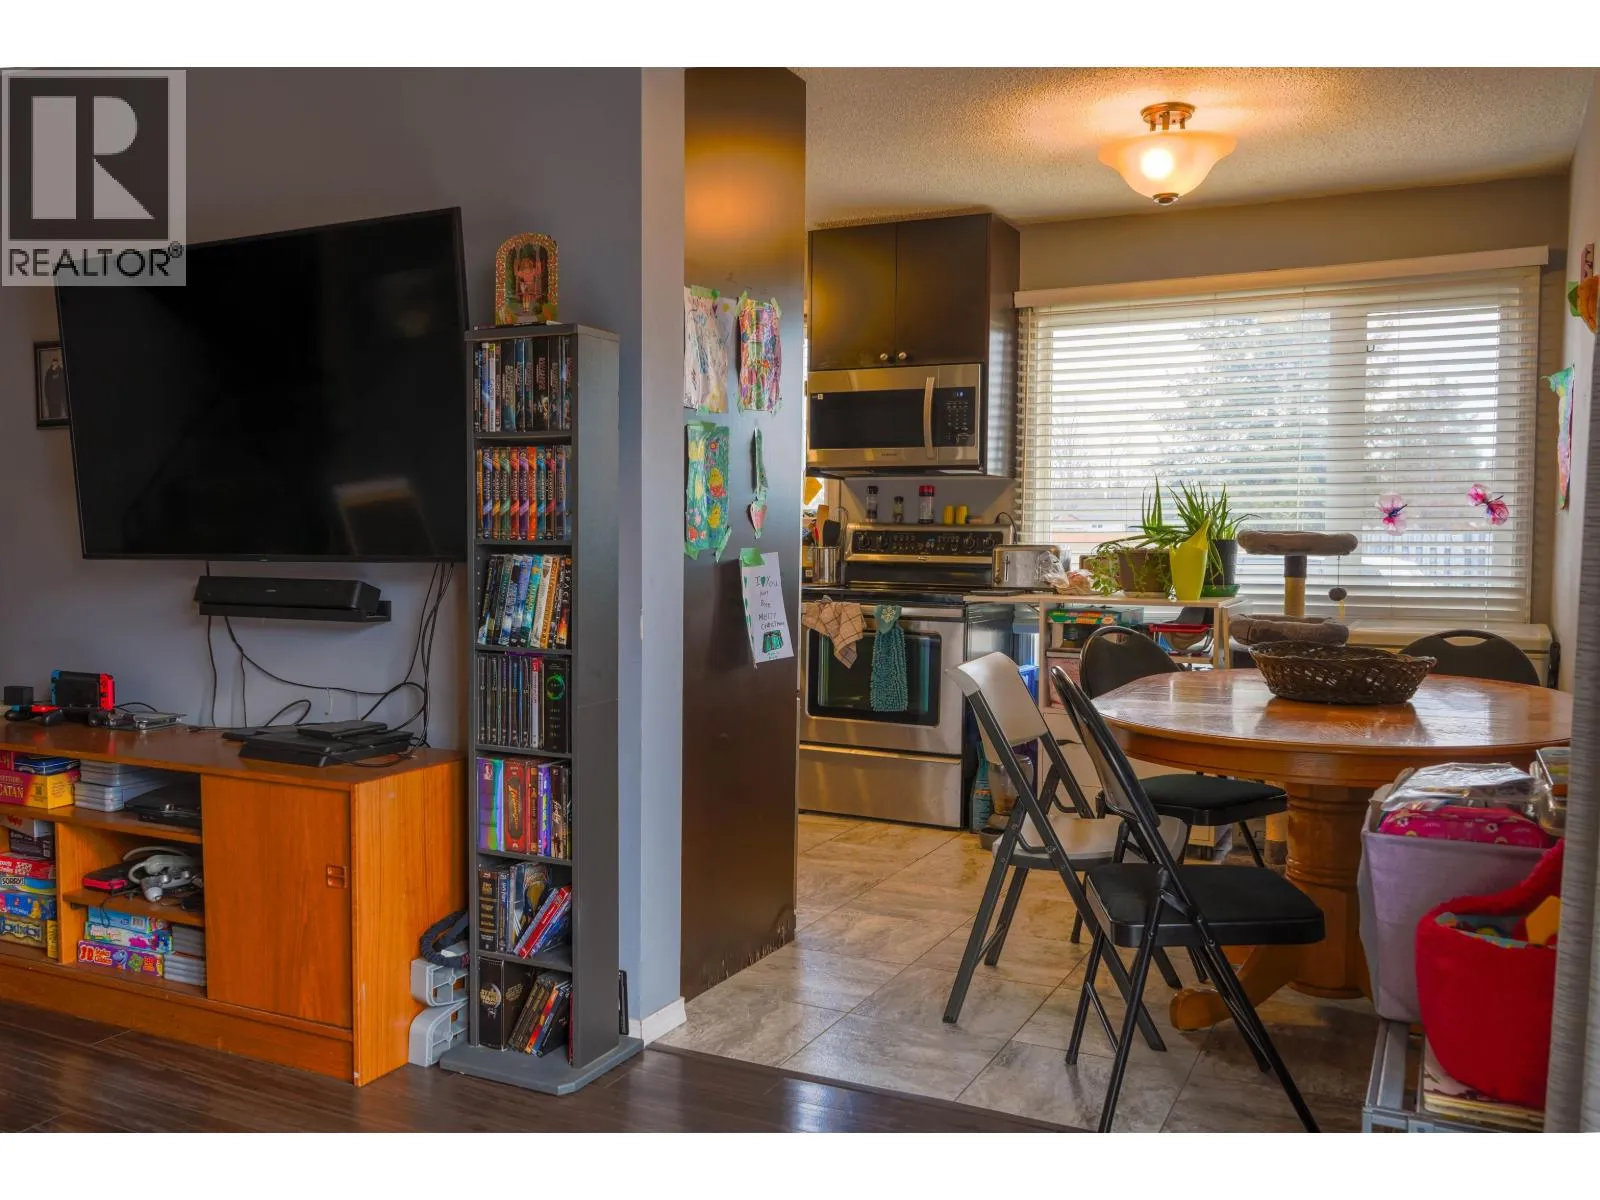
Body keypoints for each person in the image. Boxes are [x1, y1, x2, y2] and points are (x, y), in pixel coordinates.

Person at [40, 349, 67, 421]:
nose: (54, 363)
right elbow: (46, 385)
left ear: (57, 362)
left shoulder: (61, 371)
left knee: (58, 413)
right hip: (51, 397)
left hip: (59, 396)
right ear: (52, 362)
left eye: (56, 361)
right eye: (53, 361)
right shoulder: (49, 372)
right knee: (52, 414)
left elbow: (63, 382)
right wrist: (47, 395)